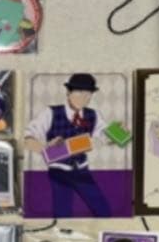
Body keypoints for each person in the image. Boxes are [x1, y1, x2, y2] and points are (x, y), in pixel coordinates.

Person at [24, 73, 113, 217]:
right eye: (79, 92)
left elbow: (105, 135)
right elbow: (27, 139)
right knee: (62, 213)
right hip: (59, 172)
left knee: (103, 210)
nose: (83, 98)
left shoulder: (93, 115)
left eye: (88, 94)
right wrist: (47, 148)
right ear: (68, 93)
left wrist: (119, 133)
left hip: (82, 169)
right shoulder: (50, 113)